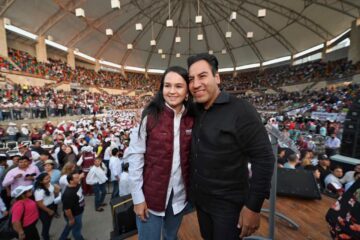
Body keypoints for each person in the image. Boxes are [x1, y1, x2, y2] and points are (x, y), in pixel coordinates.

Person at [187, 53, 274, 239]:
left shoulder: (242, 110)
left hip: (229, 206)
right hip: (202, 202)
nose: (195, 84)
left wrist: (253, 207)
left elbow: (264, 159)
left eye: (202, 76)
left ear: (217, 77)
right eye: (191, 79)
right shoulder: (195, 110)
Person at [126, 66, 194, 240]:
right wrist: (138, 198)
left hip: (179, 197)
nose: (172, 91)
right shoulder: (150, 116)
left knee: (170, 236)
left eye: (178, 86)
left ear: (187, 91)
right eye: (167, 85)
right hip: (150, 198)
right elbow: (135, 157)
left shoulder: (193, 118)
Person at [59, 171, 85, 240]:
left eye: (78, 176)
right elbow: (67, 209)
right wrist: (71, 219)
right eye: (76, 178)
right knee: (76, 230)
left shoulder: (77, 183)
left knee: (69, 226)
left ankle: (62, 238)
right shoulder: (68, 194)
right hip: (75, 215)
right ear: (71, 181)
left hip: (79, 211)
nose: (78, 178)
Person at [34, 172, 60, 240]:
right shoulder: (39, 190)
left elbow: (52, 193)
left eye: (49, 178)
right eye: (46, 179)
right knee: (46, 224)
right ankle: (45, 236)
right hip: (44, 209)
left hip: (51, 205)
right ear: (41, 181)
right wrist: (49, 211)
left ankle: (44, 233)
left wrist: (56, 191)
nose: (49, 180)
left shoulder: (49, 184)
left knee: (48, 223)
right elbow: (39, 204)